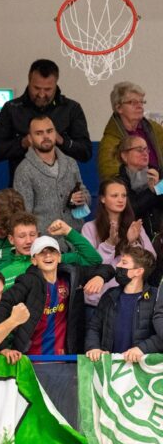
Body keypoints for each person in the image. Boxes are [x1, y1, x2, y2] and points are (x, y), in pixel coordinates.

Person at [0, 235, 114, 356]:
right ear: (34, 260)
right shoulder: (27, 281)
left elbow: (108, 268)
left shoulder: (72, 275)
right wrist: (2, 347)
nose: (48, 256)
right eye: (42, 253)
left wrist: (99, 277)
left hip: (66, 358)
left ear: (59, 257)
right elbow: (1, 305)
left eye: (52, 251)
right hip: (30, 357)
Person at [0, 59, 91, 183]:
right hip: (23, 186)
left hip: (64, 187)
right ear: (29, 81)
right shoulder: (11, 109)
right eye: (36, 88)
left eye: (48, 89)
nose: (41, 94)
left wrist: (61, 140)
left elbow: (86, 153)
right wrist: (22, 143)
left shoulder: (71, 109)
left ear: (56, 84)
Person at [81, 179, 156, 318]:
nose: (121, 200)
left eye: (124, 195)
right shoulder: (89, 228)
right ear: (102, 199)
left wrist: (131, 242)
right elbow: (91, 266)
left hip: (129, 300)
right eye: (114, 195)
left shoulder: (135, 227)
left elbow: (149, 260)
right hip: (97, 302)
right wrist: (109, 244)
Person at [14, 115, 90, 236]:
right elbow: (24, 215)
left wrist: (82, 198)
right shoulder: (24, 170)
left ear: (56, 134)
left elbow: (85, 193)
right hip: (45, 239)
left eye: (49, 131)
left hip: (75, 235)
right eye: (39, 133)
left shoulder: (70, 162)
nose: (46, 136)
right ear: (30, 138)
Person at [85, 247, 162, 363]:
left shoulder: (156, 297)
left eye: (124, 262)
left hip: (143, 367)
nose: (118, 265)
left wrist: (142, 349)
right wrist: (94, 347)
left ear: (138, 271)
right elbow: (94, 327)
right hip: (112, 366)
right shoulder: (109, 295)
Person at [0, 215, 102, 289]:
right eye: (22, 236)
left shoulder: (52, 259)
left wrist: (68, 231)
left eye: (32, 235)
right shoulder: (1, 270)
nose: (28, 241)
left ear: (38, 235)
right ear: (11, 239)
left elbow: (94, 259)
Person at [98, 81, 163, 181]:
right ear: (119, 108)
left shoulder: (155, 129)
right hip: (133, 190)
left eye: (141, 102)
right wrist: (154, 185)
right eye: (133, 102)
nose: (140, 106)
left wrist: (159, 187)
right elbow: (112, 181)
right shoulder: (110, 142)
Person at [115, 135, 163, 237]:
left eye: (146, 149)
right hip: (134, 238)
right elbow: (129, 210)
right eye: (139, 150)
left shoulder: (159, 174)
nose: (145, 153)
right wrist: (152, 191)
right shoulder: (118, 182)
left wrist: (159, 189)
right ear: (124, 156)